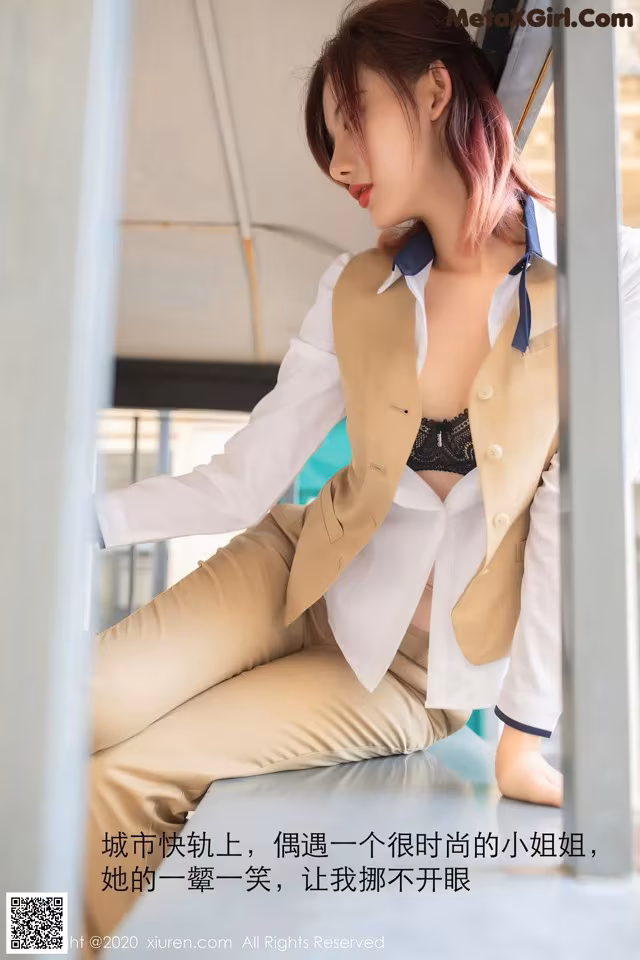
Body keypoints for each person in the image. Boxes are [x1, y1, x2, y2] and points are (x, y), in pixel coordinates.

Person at [85, 0, 640, 951]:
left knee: (120, 782)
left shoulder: (602, 279)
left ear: (435, 91)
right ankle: (37, 929)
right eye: (330, 141)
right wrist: (66, 522)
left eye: (352, 124)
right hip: (288, 573)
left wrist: (523, 732)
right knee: (68, 710)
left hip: (404, 675)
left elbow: (578, 514)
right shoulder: (356, 286)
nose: (340, 164)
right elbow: (241, 478)